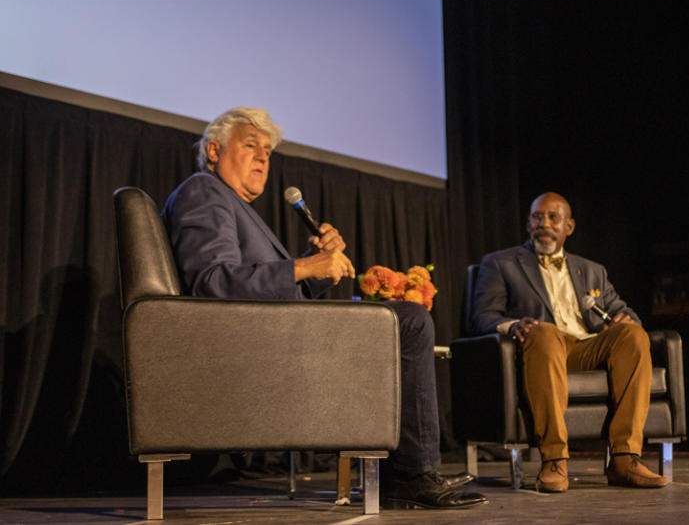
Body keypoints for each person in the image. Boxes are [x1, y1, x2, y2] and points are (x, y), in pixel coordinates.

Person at [161, 107, 486, 510]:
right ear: (213, 151)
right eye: (250, 146)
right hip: (251, 352)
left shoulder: (232, 204)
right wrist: (304, 266)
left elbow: (265, 294)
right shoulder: (203, 191)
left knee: (400, 321)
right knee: (410, 322)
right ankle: (411, 474)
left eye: (268, 150)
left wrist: (314, 272)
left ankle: (406, 468)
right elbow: (212, 283)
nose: (263, 157)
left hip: (272, 337)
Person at [470, 192, 669, 492]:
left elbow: (622, 310)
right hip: (542, 348)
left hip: (587, 347)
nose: (544, 224)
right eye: (537, 217)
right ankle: (554, 460)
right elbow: (482, 317)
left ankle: (625, 459)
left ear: (569, 227)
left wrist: (626, 319)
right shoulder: (501, 264)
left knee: (633, 335)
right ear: (528, 223)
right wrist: (514, 326)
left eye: (553, 218)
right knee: (545, 331)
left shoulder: (591, 270)